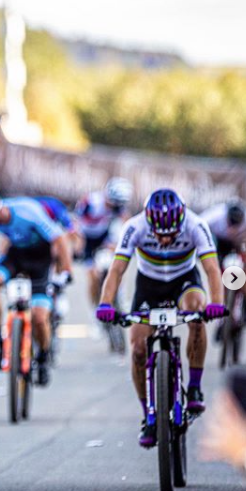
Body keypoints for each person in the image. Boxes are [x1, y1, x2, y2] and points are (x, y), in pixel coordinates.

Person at [96, 188, 225, 447]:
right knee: (138, 350)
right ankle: (148, 416)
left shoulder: (195, 224)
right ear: (148, 222)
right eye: (159, 234)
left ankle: (195, 387)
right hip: (149, 286)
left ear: (181, 221)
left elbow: (212, 269)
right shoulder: (135, 227)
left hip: (184, 281)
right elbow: (117, 269)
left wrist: (216, 304)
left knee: (196, 314)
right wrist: (105, 304)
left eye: (171, 234)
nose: (165, 240)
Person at [0, 186, 73, 386]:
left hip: (40, 260)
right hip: (15, 258)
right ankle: (0, 339)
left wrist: (65, 272)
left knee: (40, 317)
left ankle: (42, 357)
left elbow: (59, 239)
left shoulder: (27, 211)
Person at [75, 177, 133, 307]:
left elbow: (128, 223)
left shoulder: (118, 207)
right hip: (86, 240)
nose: (115, 207)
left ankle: (121, 297)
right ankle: (94, 309)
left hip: (103, 237)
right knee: (93, 277)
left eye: (119, 204)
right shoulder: (90, 202)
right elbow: (75, 223)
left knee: (119, 263)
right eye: (114, 203)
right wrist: (78, 243)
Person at [201, 198, 246, 323]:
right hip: (219, 242)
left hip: (238, 243)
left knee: (245, 268)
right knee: (218, 271)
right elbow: (198, 230)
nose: (234, 228)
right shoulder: (214, 216)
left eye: (237, 225)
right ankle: (223, 312)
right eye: (231, 224)